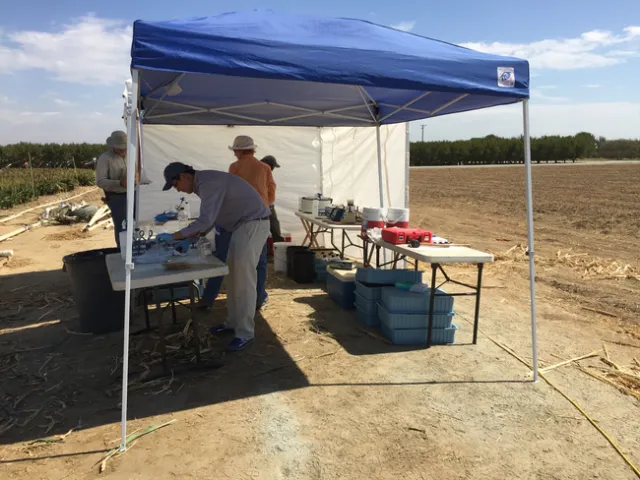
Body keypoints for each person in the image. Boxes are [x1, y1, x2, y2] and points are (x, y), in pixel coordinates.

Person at [156, 162, 270, 352]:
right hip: (241, 226)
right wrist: (191, 237)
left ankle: (245, 333)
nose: (178, 189)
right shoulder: (205, 182)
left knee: (243, 281)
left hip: (252, 224)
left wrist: (176, 236)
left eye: (176, 185)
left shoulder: (209, 183)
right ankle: (232, 323)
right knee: (233, 278)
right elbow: (212, 218)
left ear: (184, 176)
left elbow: (206, 220)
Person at [227, 136, 276, 310]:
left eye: (235, 150)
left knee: (243, 266)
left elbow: (229, 193)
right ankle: (259, 297)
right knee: (260, 262)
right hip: (262, 219)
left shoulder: (234, 167)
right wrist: (263, 205)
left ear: (239, 151)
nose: (234, 153)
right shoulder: (264, 167)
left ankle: (245, 303)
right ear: (252, 150)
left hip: (243, 221)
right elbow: (272, 192)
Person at [95, 131, 131, 250]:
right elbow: (100, 181)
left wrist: (138, 177)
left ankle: (135, 248)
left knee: (136, 224)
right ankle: (123, 251)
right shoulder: (105, 159)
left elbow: (142, 173)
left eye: (125, 149)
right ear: (113, 147)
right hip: (116, 196)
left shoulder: (132, 155)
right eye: (120, 149)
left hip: (134, 193)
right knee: (122, 225)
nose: (123, 151)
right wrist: (119, 183)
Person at [260, 155, 285, 243]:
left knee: (273, 225)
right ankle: (277, 244)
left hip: (266, 204)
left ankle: (277, 243)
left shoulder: (263, 171)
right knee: (271, 226)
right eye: (273, 167)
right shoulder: (261, 172)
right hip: (263, 205)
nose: (273, 169)